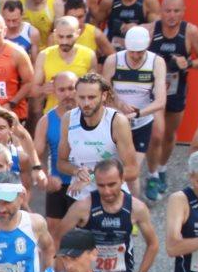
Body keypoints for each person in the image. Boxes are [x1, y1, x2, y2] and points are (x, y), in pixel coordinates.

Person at [57, 158, 158, 272]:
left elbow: (153, 244)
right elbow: (57, 239)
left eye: (112, 185)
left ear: (122, 180)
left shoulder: (136, 208)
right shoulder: (83, 207)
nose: (107, 191)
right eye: (101, 186)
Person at [146, 0, 198, 197]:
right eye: (167, 11)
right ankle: (152, 175)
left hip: (176, 88)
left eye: (176, 11)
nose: (172, 16)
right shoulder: (150, 30)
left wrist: (189, 63)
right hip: (153, 89)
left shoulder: (190, 32)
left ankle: (163, 169)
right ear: (161, 11)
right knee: (156, 134)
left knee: (168, 135)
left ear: (183, 11)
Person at [102, 26, 166, 199]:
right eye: (132, 53)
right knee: (113, 170)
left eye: (140, 52)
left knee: (131, 173)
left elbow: (160, 101)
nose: (136, 56)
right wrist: (119, 103)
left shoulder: (156, 62)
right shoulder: (113, 60)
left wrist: (138, 114)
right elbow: (103, 92)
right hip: (116, 121)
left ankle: (134, 213)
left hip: (141, 122)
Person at [57, 73, 139, 201]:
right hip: (80, 196)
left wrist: (92, 178)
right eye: (82, 97)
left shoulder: (117, 122)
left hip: (112, 196)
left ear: (104, 96)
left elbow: (132, 170)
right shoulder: (69, 119)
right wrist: (77, 171)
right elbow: (61, 163)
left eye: (91, 97)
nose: (86, 103)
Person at [34, 70, 80, 242]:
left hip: (85, 184)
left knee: (85, 234)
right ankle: (58, 269)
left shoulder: (91, 116)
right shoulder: (47, 120)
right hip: (58, 185)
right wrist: (45, 175)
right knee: (55, 233)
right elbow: (35, 154)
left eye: (71, 88)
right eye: (62, 90)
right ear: (54, 91)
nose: (67, 94)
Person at [34, 16, 96, 112]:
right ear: (54, 34)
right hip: (53, 113)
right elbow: (34, 90)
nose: (64, 41)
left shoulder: (89, 55)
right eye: (61, 36)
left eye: (69, 36)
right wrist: (43, 89)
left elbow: (94, 89)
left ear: (78, 33)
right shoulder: (44, 55)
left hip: (82, 114)